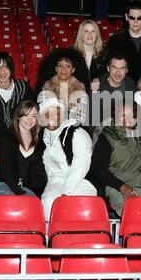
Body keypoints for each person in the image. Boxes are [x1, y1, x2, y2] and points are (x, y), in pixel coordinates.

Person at [89, 100, 141, 217]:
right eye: (123, 115)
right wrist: (121, 186)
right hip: (119, 186)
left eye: (132, 115)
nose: (128, 119)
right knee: (136, 216)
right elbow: (98, 169)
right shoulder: (107, 136)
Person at [38, 92, 97, 221]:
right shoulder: (42, 137)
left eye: (55, 114)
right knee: (48, 201)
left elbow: (81, 163)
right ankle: (54, 237)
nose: (51, 118)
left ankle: (84, 238)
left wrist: (67, 191)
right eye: (46, 115)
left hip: (81, 181)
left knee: (77, 203)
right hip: (56, 182)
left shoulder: (77, 132)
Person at [0, 100, 46, 197]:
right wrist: (18, 192)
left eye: (34, 116)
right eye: (26, 115)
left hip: (26, 188)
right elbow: (5, 169)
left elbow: (39, 172)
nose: (29, 120)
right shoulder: (6, 137)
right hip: (3, 184)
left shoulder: (40, 140)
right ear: (19, 116)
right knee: (17, 201)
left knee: (33, 204)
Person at [35, 47, 89, 125]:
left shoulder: (81, 93)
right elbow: (43, 119)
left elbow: (80, 120)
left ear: (73, 70)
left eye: (68, 66)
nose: (63, 70)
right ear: (56, 68)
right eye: (60, 65)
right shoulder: (46, 89)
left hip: (73, 132)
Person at [90, 52, 136, 130]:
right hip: (102, 133)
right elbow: (92, 120)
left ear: (126, 70)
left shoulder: (131, 88)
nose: (118, 73)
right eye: (114, 68)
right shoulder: (97, 87)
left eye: (122, 68)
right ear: (108, 68)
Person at [73, 19, 106, 88]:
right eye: (86, 31)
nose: (90, 34)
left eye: (93, 31)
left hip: (98, 96)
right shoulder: (72, 55)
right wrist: (88, 86)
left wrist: (101, 81)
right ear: (80, 35)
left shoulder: (105, 55)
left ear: (97, 35)